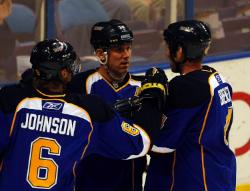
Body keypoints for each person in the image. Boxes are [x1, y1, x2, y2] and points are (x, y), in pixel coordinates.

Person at [0, 39, 167, 191]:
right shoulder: (90, 112)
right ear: (64, 74)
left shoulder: (10, 101)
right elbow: (141, 142)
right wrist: (151, 101)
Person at [144, 20, 236, 191]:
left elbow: (161, 146)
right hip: (220, 175)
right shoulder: (216, 78)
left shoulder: (186, 87)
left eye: (169, 47)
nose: (166, 52)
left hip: (194, 180)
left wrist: (148, 108)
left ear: (179, 51)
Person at [67, 19, 147, 191]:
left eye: (128, 48)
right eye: (119, 49)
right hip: (90, 180)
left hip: (130, 183)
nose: (126, 55)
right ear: (101, 54)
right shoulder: (80, 85)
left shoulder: (143, 87)